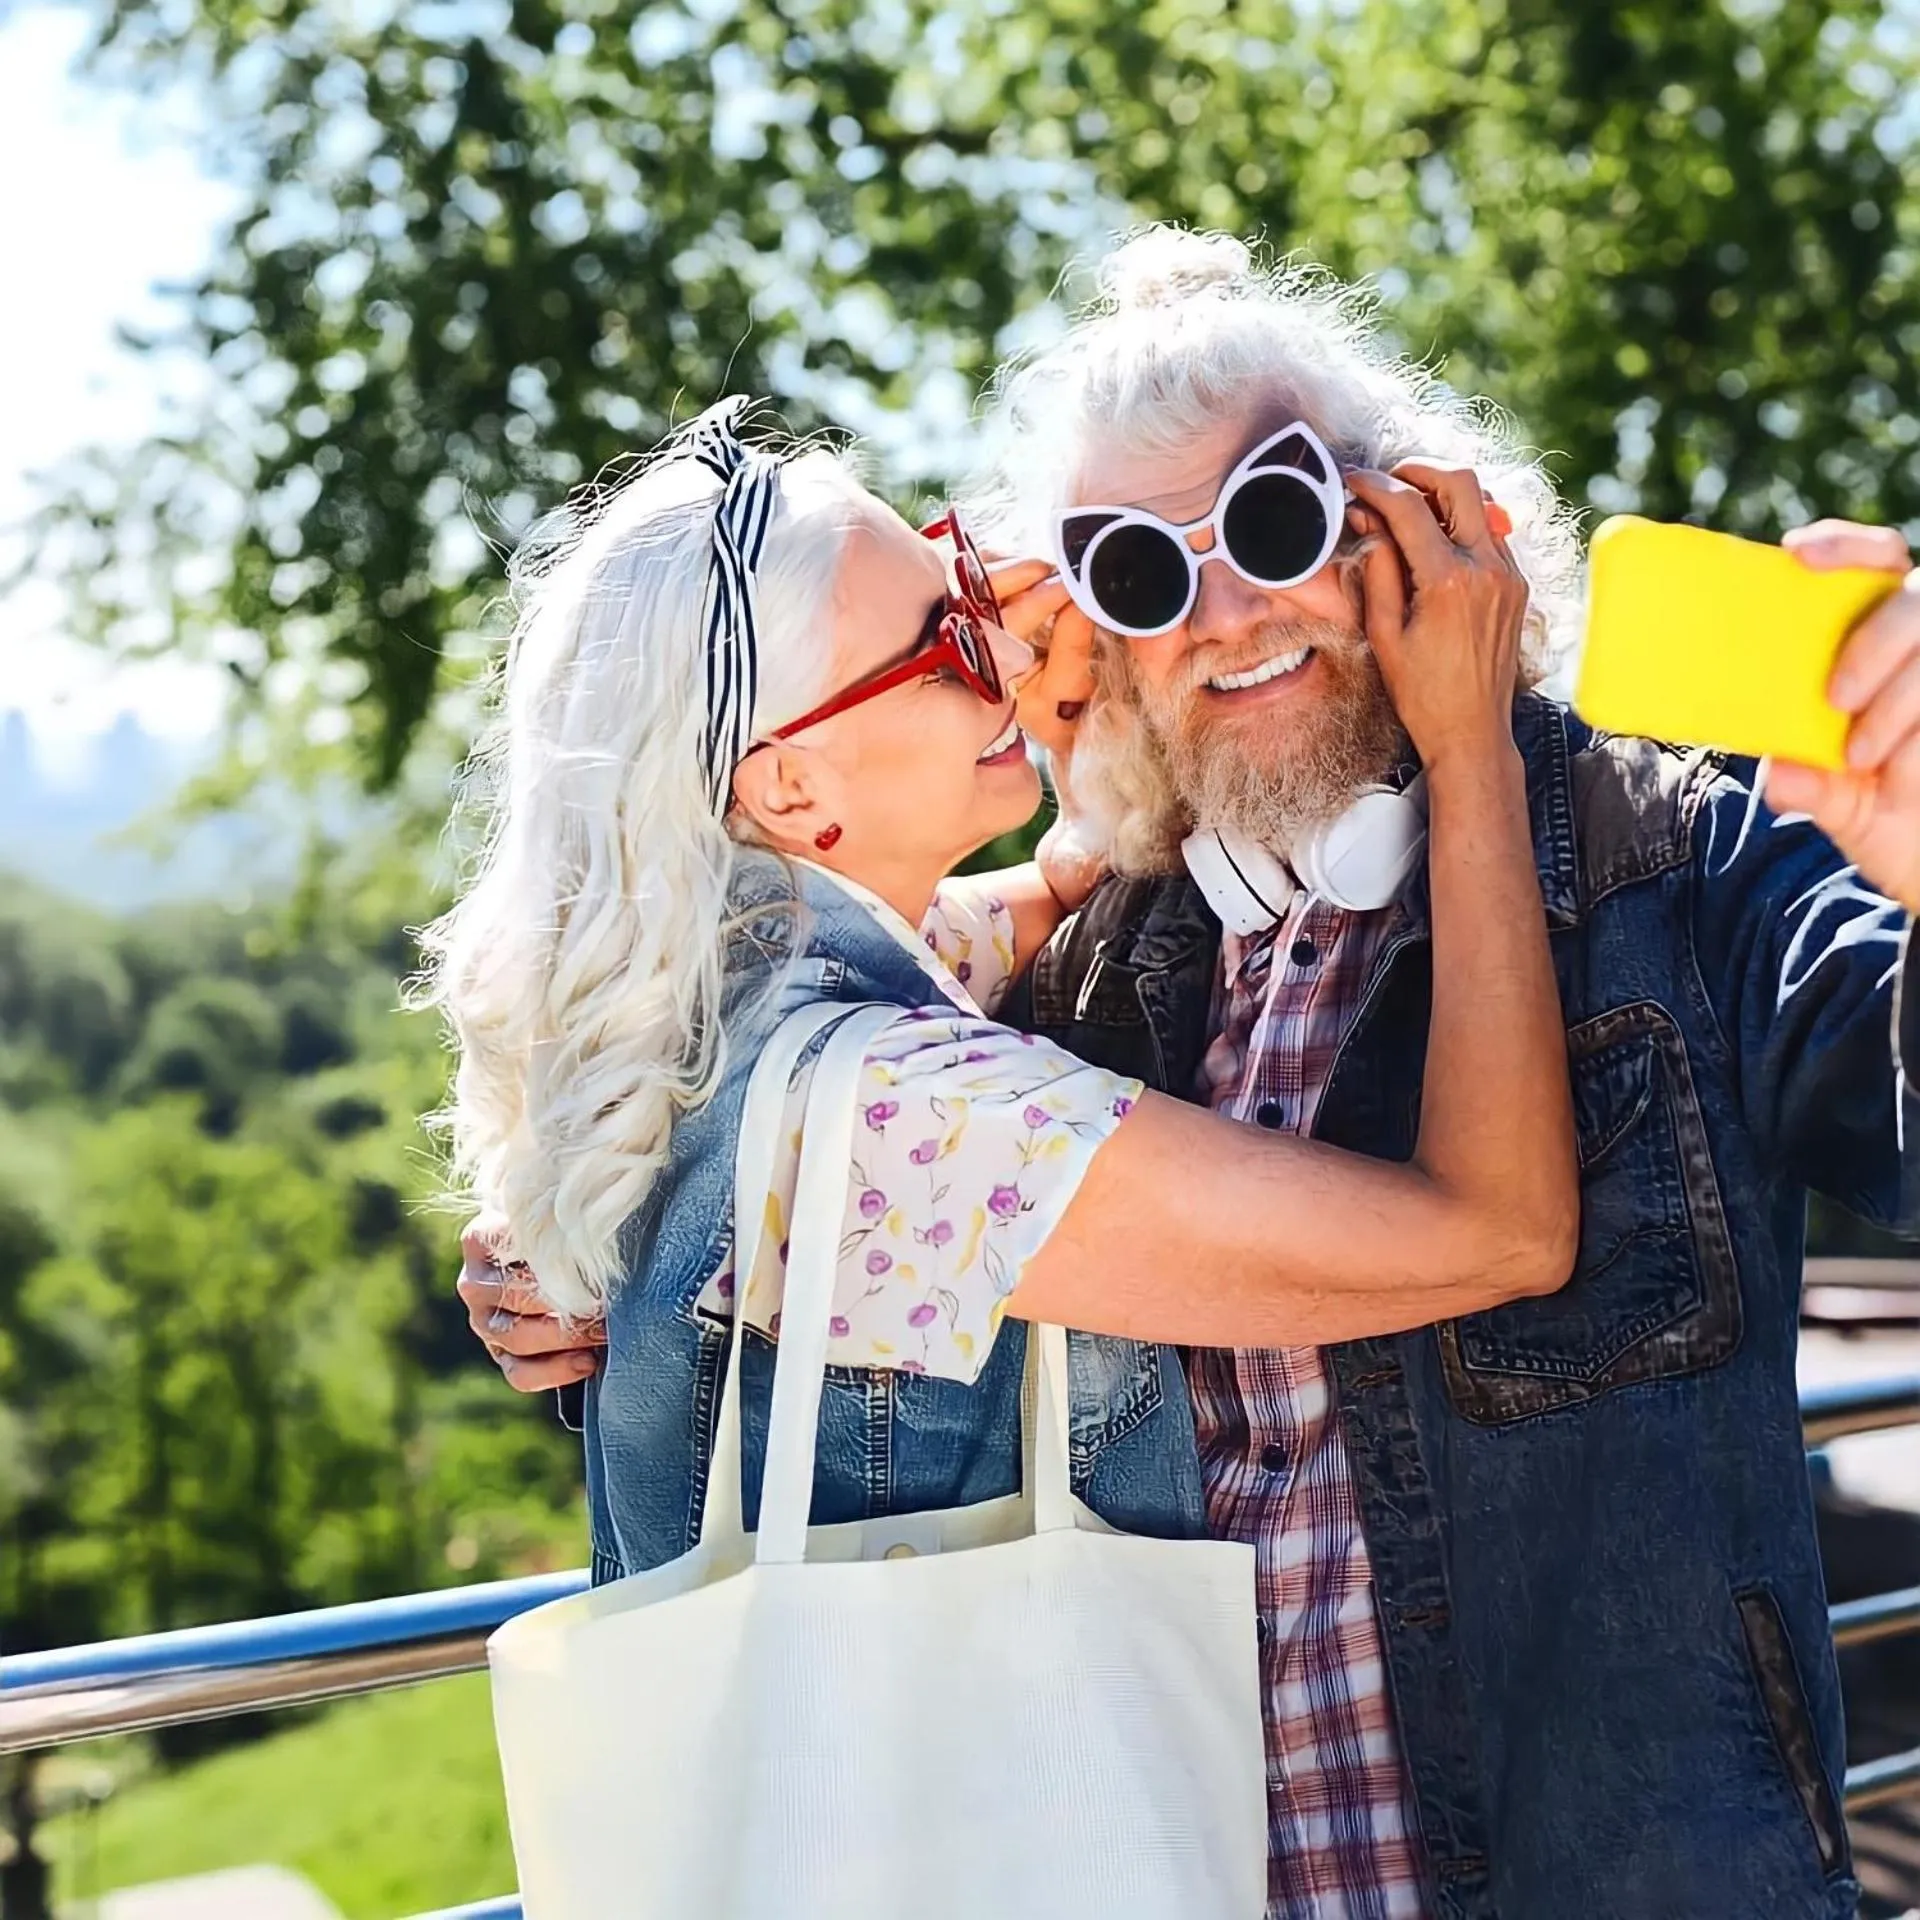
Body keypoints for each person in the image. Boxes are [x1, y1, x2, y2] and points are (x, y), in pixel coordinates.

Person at [470, 231, 1920, 1919]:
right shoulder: (1063, 999)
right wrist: (598, 1288)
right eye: (1138, 579)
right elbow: (796, 1238)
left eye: (1279, 520)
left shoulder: (1670, 871)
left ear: (1425, 531)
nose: (1223, 614)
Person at [426, 391, 1579, 1634]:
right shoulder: (912, 1120)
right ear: (794, 785)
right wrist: (1470, 751)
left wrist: (1090, 692)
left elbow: (1045, 891)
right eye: (949, 644)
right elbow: (1499, 1234)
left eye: (969, 589)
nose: (1011, 656)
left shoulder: (724, 1009)